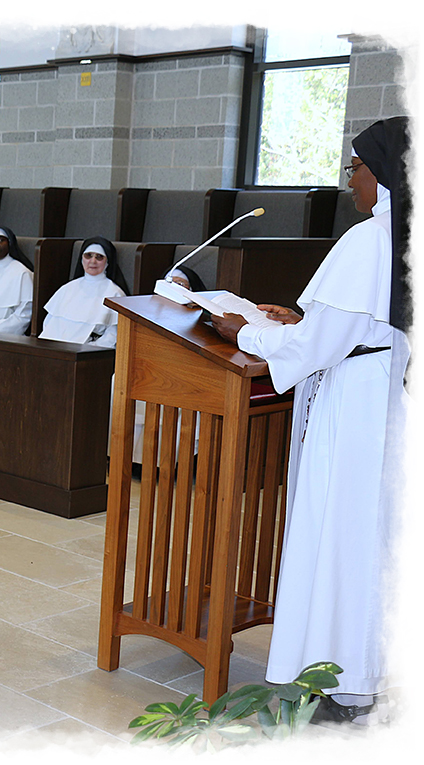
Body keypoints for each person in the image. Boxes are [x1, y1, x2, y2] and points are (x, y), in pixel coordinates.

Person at [211, 117, 410, 722]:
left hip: (354, 408)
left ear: (385, 173)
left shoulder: (367, 241)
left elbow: (321, 347)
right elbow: (363, 326)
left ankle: (339, 681)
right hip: (386, 399)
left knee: (339, 536)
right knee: (369, 538)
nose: (352, 182)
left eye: (356, 168)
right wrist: (299, 321)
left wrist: (241, 329)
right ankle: (364, 676)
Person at [38, 236, 130, 346]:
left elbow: (114, 334)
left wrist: (88, 350)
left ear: (108, 261)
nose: (93, 261)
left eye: (99, 257)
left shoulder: (115, 293)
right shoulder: (68, 288)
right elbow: (49, 322)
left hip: (89, 353)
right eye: (88, 256)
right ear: (82, 259)